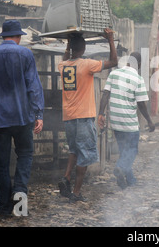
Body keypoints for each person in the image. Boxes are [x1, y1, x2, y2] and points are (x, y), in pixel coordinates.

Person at [0, 20, 44, 218]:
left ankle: (4, 211)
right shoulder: (26, 54)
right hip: (22, 118)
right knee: (25, 156)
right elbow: (33, 86)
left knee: (1, 164)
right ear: (19, 37)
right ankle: (20, 204)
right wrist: (38, 114)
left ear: (3, 36)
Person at [57, 28, 117, 203]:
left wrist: (68, 45)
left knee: (74, 150)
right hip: (84, 116)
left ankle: (66, 177)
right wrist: (111, 39)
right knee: (85, 153)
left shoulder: (63, 66)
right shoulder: (87, 64)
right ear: (83, 49)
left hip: (69, 117)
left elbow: (65, 58)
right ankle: (76, 192)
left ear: (71, 49)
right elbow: (113, 62)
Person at [98, 52, 155, 189]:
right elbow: (141, 104)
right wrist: (149, 121)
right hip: (129, 122)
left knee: (124, 150)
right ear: (139, 64)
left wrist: (101, 113)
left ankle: (129, 181)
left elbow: (105, 94)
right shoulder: (138, 79)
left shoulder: (114, 74)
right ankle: (120, 168)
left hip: (115, 121)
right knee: (132, 151)